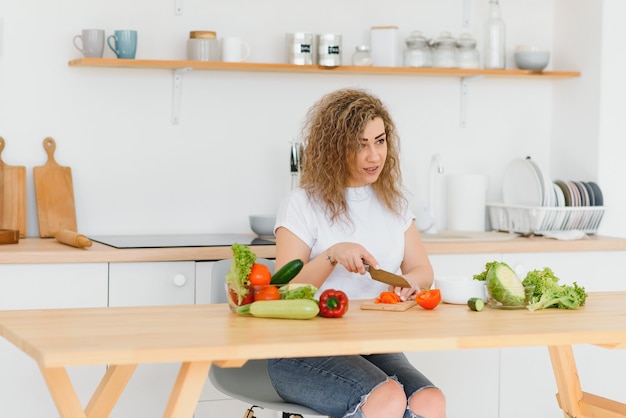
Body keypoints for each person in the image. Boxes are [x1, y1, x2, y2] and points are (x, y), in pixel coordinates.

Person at [268, 88, 446, 418]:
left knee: (430, 402)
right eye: (360, 144)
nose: (374, 156)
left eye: (379, 141)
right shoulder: (301, 205)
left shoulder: (394, 205)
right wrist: (332, 254)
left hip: (373, 346)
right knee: (388, 400)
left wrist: (408, 281)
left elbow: (422, 269)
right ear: (334, 148)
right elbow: (284, 294)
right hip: (298, 350)